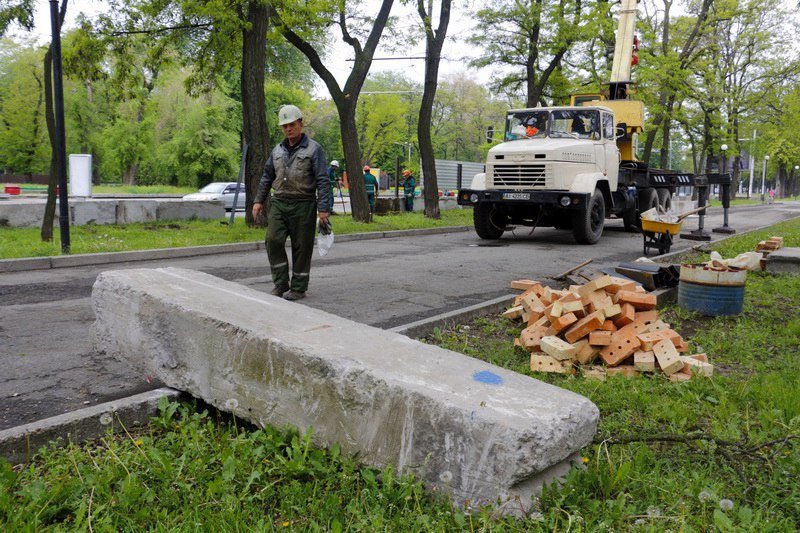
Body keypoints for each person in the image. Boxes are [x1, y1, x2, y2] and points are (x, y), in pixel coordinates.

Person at [252, 104, 330, 301]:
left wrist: (323, 209)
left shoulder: (314, 149)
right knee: (273, 240)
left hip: (304, 204)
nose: (288, 129)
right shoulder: (277, 150)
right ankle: (280, 283)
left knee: (302, 247)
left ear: (301, 124)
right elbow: (266, 176)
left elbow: (323, 179)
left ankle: (298, 287)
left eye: (292, 124)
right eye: (285, 126)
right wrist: (258, 200)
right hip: (279, 202)